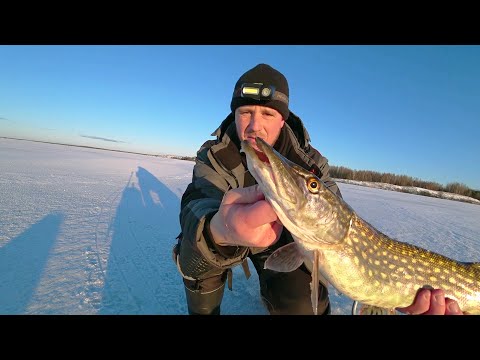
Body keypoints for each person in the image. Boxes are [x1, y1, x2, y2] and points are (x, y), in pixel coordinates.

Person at [172, 63, 465, 315]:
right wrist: (219, 230)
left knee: (303, 305)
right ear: (234, 115)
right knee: (196, 245)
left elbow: (332, 213)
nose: (254, 126)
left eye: (268, 114)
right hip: (227, 242)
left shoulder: (311, 162)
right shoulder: (215, 154)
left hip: (288, 242)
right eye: (245, 112)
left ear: (283, 119)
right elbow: (197, 202)